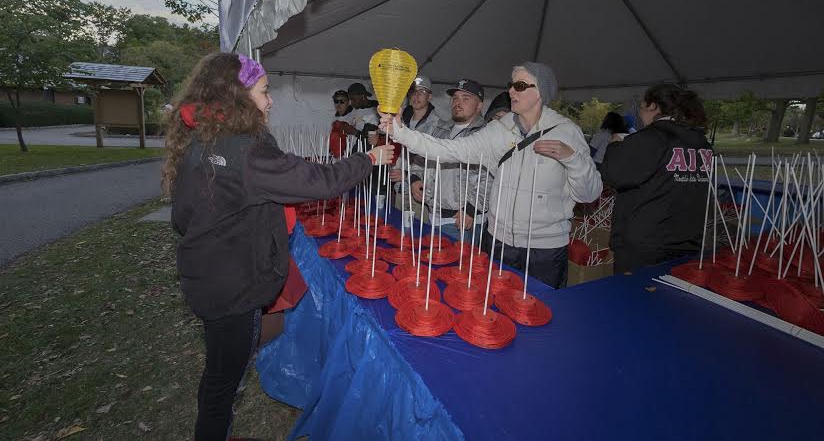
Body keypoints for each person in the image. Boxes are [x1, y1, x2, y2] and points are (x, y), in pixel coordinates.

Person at [162, 52, 394, 440]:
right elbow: (320, 182)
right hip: (232, 286)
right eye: (265, 91)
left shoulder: (202, 136)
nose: (270, 101)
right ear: (237, 95)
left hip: (206, 276)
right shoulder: (244, 149)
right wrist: (370, 157)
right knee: (224, 379)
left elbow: (181, 219)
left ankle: (216, 429)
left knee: (221, 368)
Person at [380, 62, 602, 289]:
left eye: (520, 85)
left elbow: (589, 194)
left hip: (545, 249)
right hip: (499, 242)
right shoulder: (499, 130)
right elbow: (450, 150)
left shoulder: (567, 132)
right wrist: (400, 132)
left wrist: (572, 159)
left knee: (541, 314)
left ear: (541, 92)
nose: (511, 91)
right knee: (496, 314)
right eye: (511, 85)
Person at [600, 83, 712, 274]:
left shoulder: (652, 137)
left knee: (634, 298)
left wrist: (616, 146)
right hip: (687, 239)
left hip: (646, 244)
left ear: (653, 106)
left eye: (642, 107)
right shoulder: (702, 143)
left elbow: (615, 175)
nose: (640, 115)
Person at [409, 78, 489, 241]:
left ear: (480, 105)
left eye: (466, 98)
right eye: (456, 98)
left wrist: (472, 208)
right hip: (434, 215)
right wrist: (415, 178)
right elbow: (421, 157)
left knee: (461, 266)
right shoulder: (441, 129)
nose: (458, 102)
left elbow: (491, 176)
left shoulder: (486, 134)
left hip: (462, 220)